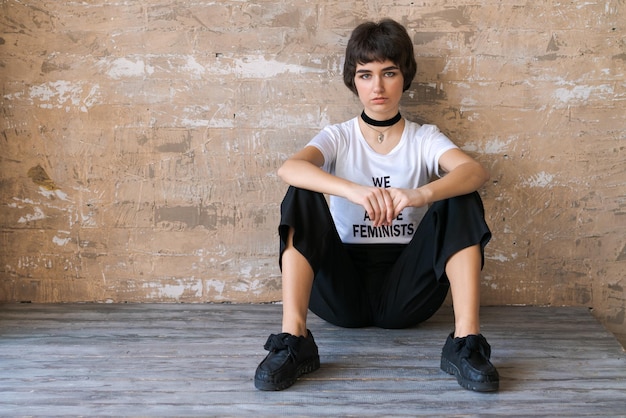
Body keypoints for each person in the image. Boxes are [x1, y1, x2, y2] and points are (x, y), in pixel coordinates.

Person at [254, 18, 499, 393]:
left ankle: (465, 345)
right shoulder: (339, 136)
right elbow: (289, 168)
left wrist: (420, 194)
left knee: (460, 194)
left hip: (407, 289)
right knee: (301, 190)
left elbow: (473, 171)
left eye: (389, 73)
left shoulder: (423, 138)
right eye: (366, 75)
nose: (378, 87)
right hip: (341, 287)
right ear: (353, 80)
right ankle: (294, 340)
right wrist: (353, 191)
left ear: (405, 77)